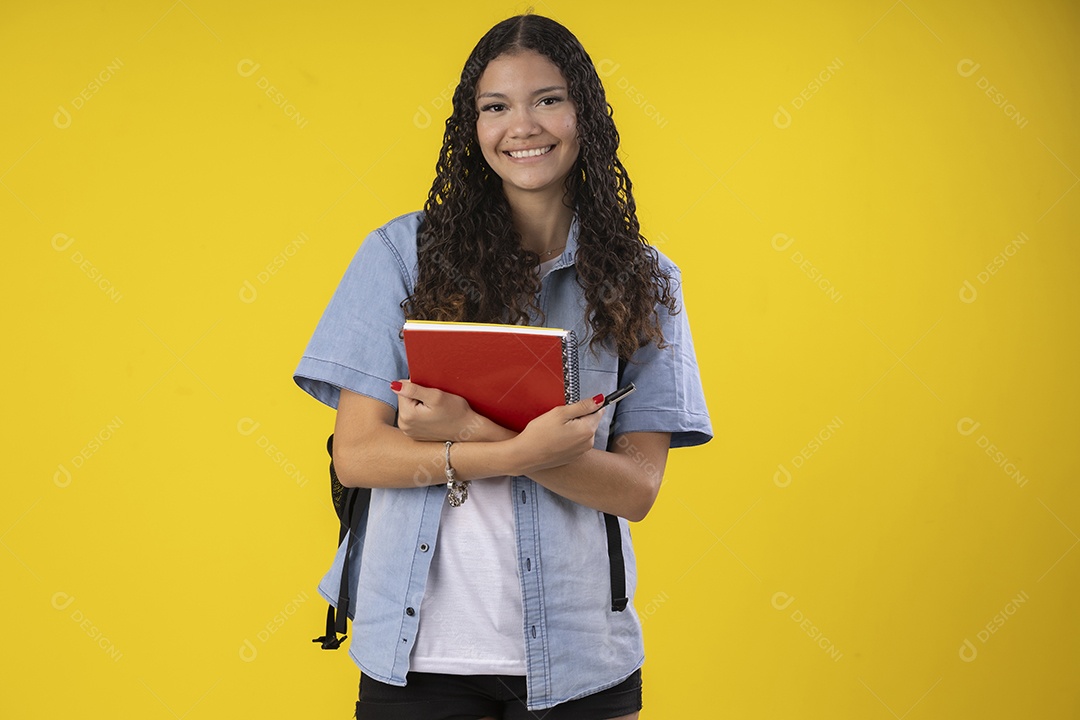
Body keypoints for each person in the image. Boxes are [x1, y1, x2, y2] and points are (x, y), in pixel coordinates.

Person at [294, 13, 711, 719]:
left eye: (548, 99)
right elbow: (358, 456)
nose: (522, 126)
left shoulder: (643, 280)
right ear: (473, 125)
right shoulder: (401, 256)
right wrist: (519, 450)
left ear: (585, 113)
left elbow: (637, 489)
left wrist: (471, 431)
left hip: (581, 661)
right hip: (417, 657)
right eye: (496, 107)